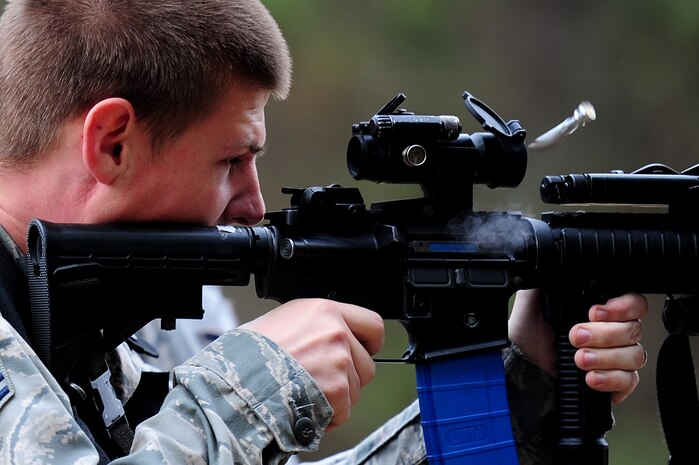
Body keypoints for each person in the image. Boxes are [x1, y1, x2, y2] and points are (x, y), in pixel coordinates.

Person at [0, 1, 648, 464]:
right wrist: (247, 392)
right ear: (112, 143)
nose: (253, 205)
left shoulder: (87, 343)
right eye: (231, 160)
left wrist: (524, 384)